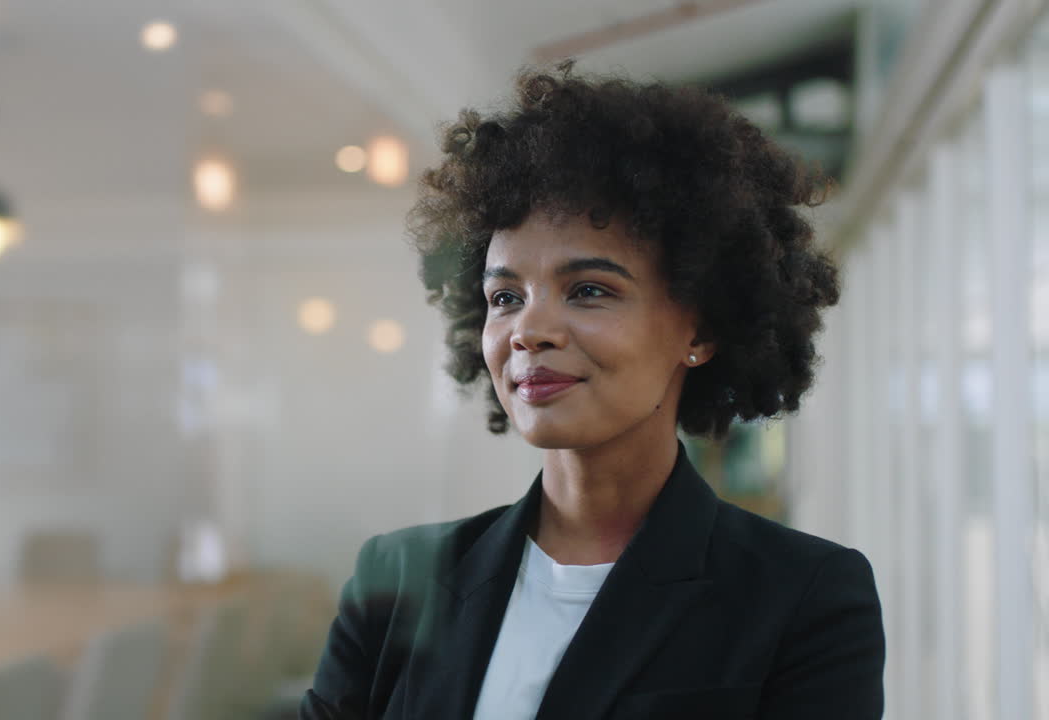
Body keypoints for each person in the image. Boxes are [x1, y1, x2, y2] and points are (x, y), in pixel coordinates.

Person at [300, 61, 884, 720]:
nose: (529, 330)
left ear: (703, 327)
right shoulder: (398, 578)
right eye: (505, 296)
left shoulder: (803, 597)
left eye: (589, 290)